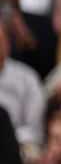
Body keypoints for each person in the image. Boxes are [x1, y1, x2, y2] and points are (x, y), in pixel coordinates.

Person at [0, 20, 46, 150]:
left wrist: (7, 140)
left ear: (7, 44)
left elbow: (34, 128)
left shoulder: (27, 78)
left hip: (19, 145)